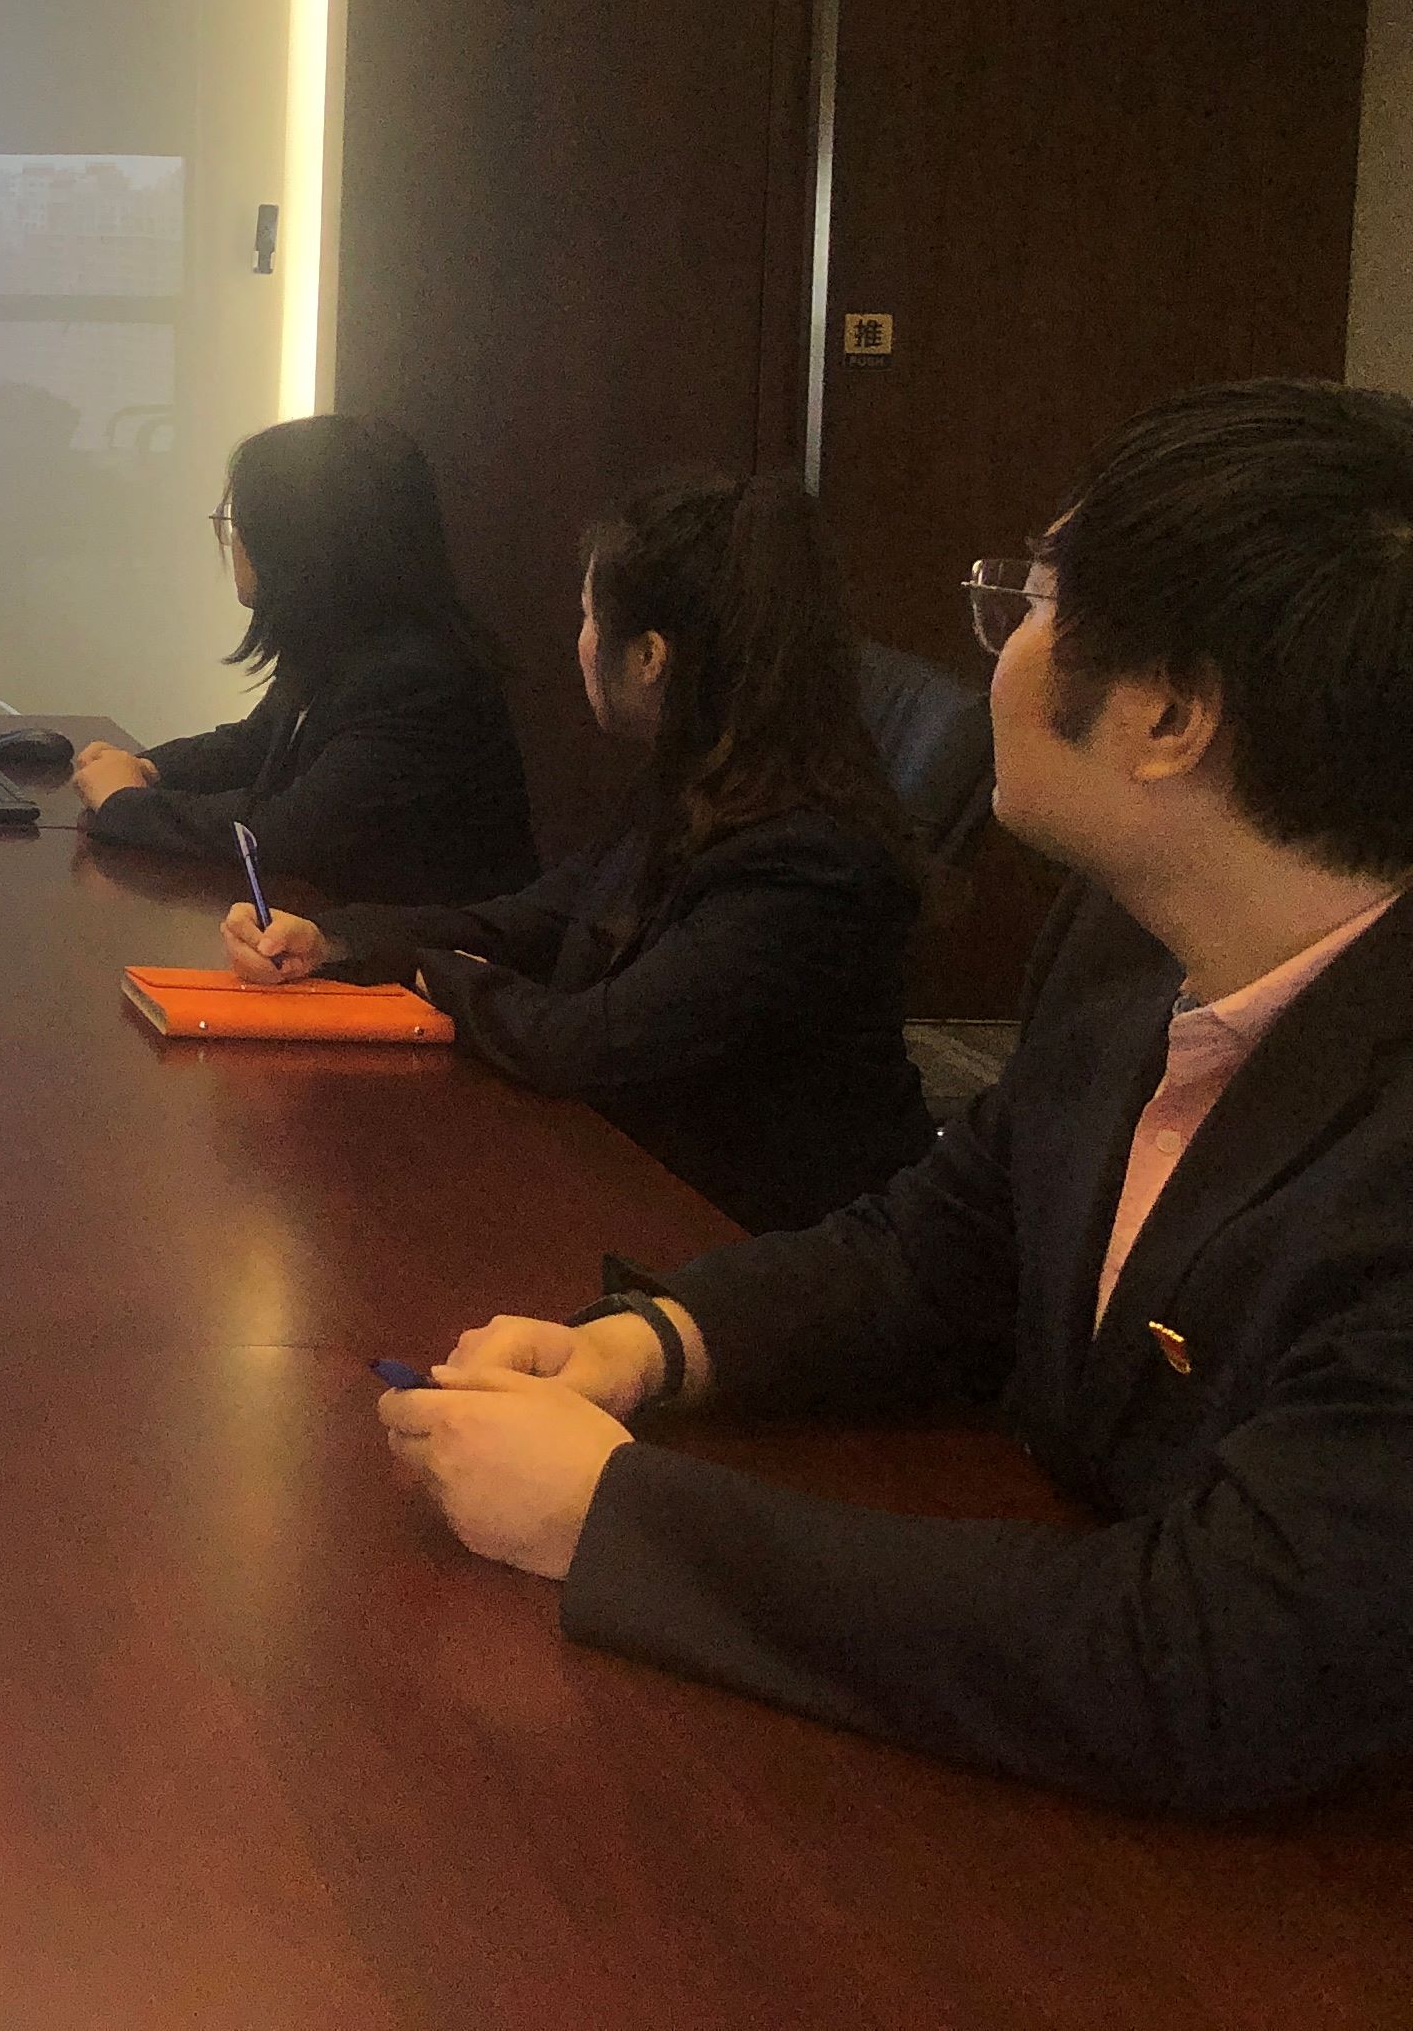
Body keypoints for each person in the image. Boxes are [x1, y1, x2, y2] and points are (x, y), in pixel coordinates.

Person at [378, 381, 1413, 1815]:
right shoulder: (1123, 946)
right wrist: (646, 1345)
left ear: (1170, 714)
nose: (995, 650)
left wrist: (618, 1516)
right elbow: (941, 1247)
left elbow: (1211, 1655)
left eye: (1032, 602)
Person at [222, 474, 932, 1233]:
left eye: (589, 617)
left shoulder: (802, 862)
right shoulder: (700, 781)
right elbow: (537, 917)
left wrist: (429, 972)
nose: (581, 644)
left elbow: (585, 1043)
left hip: (744, 1231)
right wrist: (336, 941)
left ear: (649, 656)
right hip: (641, 1173)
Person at [75, 413, 537, 904]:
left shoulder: (420, 679)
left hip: (411, 945)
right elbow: (252, 746)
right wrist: (149, 768)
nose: (233, 541)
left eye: (237, 523)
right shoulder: (349, 640)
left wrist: (126, 803)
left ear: (290, 541)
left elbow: (283, 837)